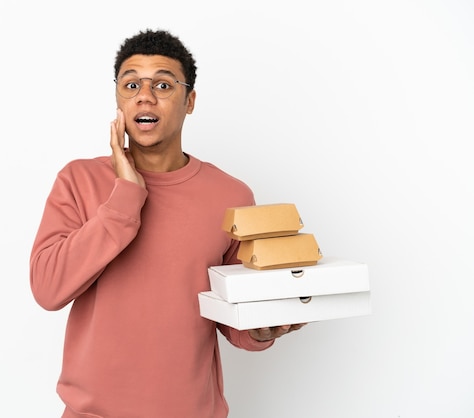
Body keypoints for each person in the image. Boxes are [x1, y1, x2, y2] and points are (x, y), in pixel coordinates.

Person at [30, 29, 305, 418]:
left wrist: (259, 331)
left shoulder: (230, 195)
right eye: (131, 85)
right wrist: (125, 196)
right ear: (118, 99)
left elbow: (231, 313)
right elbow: (48, 288)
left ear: (189, 101)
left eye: (162, 84)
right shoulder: (78, 180)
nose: (145, 95)